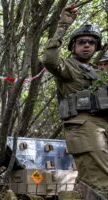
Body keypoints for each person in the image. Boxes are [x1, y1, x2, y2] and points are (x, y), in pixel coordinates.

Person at [42, 4, 108, 198]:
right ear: (73, 46)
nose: (86, 45)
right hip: (84, 126)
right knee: (101, 183)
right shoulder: (69, 67)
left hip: (103, 124)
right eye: (81, 42)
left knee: (92, 184)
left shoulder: (99, 73)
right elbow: (49, 59)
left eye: (91, 42)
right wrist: (63, 25)